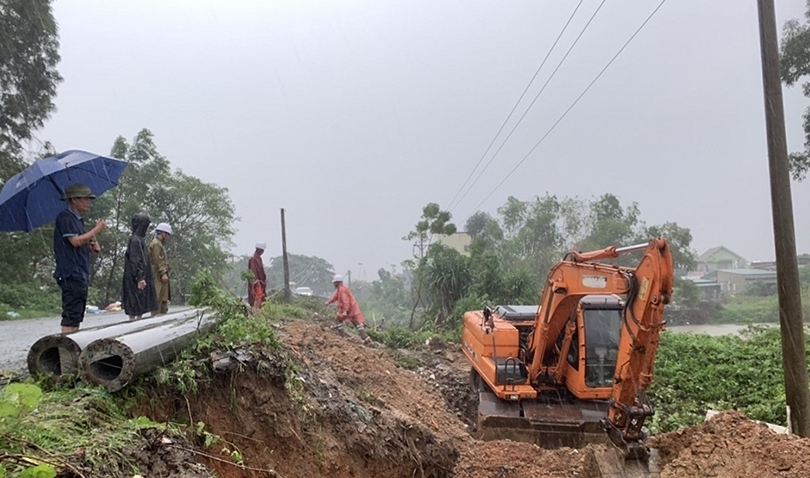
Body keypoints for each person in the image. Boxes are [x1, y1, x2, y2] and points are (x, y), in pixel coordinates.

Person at [53, 183, 106, 333]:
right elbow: (75, 241)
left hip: (80, 272)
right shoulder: (65, 217)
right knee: (71, 313)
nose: (88, 203)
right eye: (85, 199)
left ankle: (72, 344)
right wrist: (96, 229)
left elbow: (80, 241)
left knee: (77, 314)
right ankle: (66, 347)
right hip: (70, 272)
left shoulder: (78, 221)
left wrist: (91, 245)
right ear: (74, 200)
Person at [122, 213, 158, 320]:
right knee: (135, 303)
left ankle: (137, 322)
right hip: (135, 278)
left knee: (140, 304)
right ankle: (133, 325)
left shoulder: (139, 240)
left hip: (138, 277)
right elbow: (136, 260)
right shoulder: (135, 240)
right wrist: (140, 277)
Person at [325, 274, 370, 344]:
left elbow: (346, 301)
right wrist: (329, 302)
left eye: (334, 282)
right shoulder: (340, 289)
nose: (333, 284)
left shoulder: (342, 290)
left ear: (337, 282)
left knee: (339, 320)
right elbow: (335, 297)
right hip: (350, 308)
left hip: (349, 308)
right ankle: (365, 337)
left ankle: (342, 336)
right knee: (355, 322)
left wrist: (345, 311)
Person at [149, 222, 172, 315]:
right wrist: (163, 273)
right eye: (167, 234)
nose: (168, 237)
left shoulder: (160, 244)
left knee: (163, 300)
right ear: (162, 233)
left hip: (161, 276)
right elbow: (157, 260)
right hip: (157, 276)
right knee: (157, 299)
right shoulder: (156, 244)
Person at [247, 242, 267, 312]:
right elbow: (253, 273)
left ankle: (257, 314)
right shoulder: (253, 259)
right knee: (256, 299)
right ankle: (255, 314)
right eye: (261, 250)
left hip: (260, 283)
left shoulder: (259, 258)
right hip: (256, 284)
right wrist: (255, 284)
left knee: (260, 299)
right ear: (258, 250)